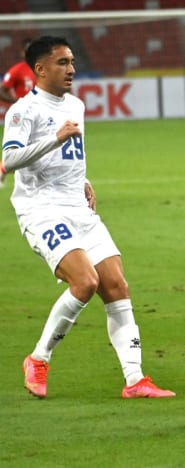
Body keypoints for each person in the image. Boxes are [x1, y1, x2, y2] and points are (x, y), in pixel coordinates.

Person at [2, 36, 175, 399]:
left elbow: (70, 154)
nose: (72, 70)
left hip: (79, 209)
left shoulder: (76, 105)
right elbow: (11, 159)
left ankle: (135, 380)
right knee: (85, 282)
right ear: (40, 69)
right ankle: (38, 358)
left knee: (117, 286)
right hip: (42, 210)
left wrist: (84, 180)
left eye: (72, 62)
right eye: (63, 63)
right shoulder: (23, 111)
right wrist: (54, 137)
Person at [0, 38, 35, 188]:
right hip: (20, 114)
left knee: (34, 145)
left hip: (38, 113)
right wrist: (15, 102)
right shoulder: (17, 69)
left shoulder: (42, 68)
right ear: (23, 52)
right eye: (27, 50)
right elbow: (2, 89)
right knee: (17, 146)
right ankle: (3, 169)